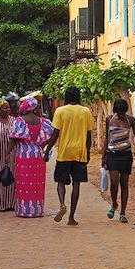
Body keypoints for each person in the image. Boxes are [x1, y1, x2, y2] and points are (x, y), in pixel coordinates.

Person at [44, 86, 94, 226]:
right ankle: (71, 217)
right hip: (79, 154)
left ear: (66, 97)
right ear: (78, 97)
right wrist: (88, 152)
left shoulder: (60, 111)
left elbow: (55, 134)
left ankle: (61, 204)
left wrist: (47, 150)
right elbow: (88, 136)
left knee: (60, 181)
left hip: (64, 153)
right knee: (76, 184)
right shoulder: (85, 112)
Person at [103, 99, 135, 223]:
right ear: (116, 111)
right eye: (119, 112)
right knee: (114, 182)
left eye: (123, 112)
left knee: (124, 184)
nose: (121, 115)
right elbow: (106, 138)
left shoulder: (130, 120)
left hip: (126, 155)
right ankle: (114, 203)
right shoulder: (109, 120)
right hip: (113, 155)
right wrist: (103, 156)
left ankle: (123, 212)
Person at [9, 96, 54, 217]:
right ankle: (37, 210)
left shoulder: (19, 121)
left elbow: (13, 139)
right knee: (37, 183)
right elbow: (49, 137)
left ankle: (23, 210)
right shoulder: (43, 122)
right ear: (34, 108)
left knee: (23, 182)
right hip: (38, 155)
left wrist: (7, 153)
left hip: (23, 155)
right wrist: (41, 146)